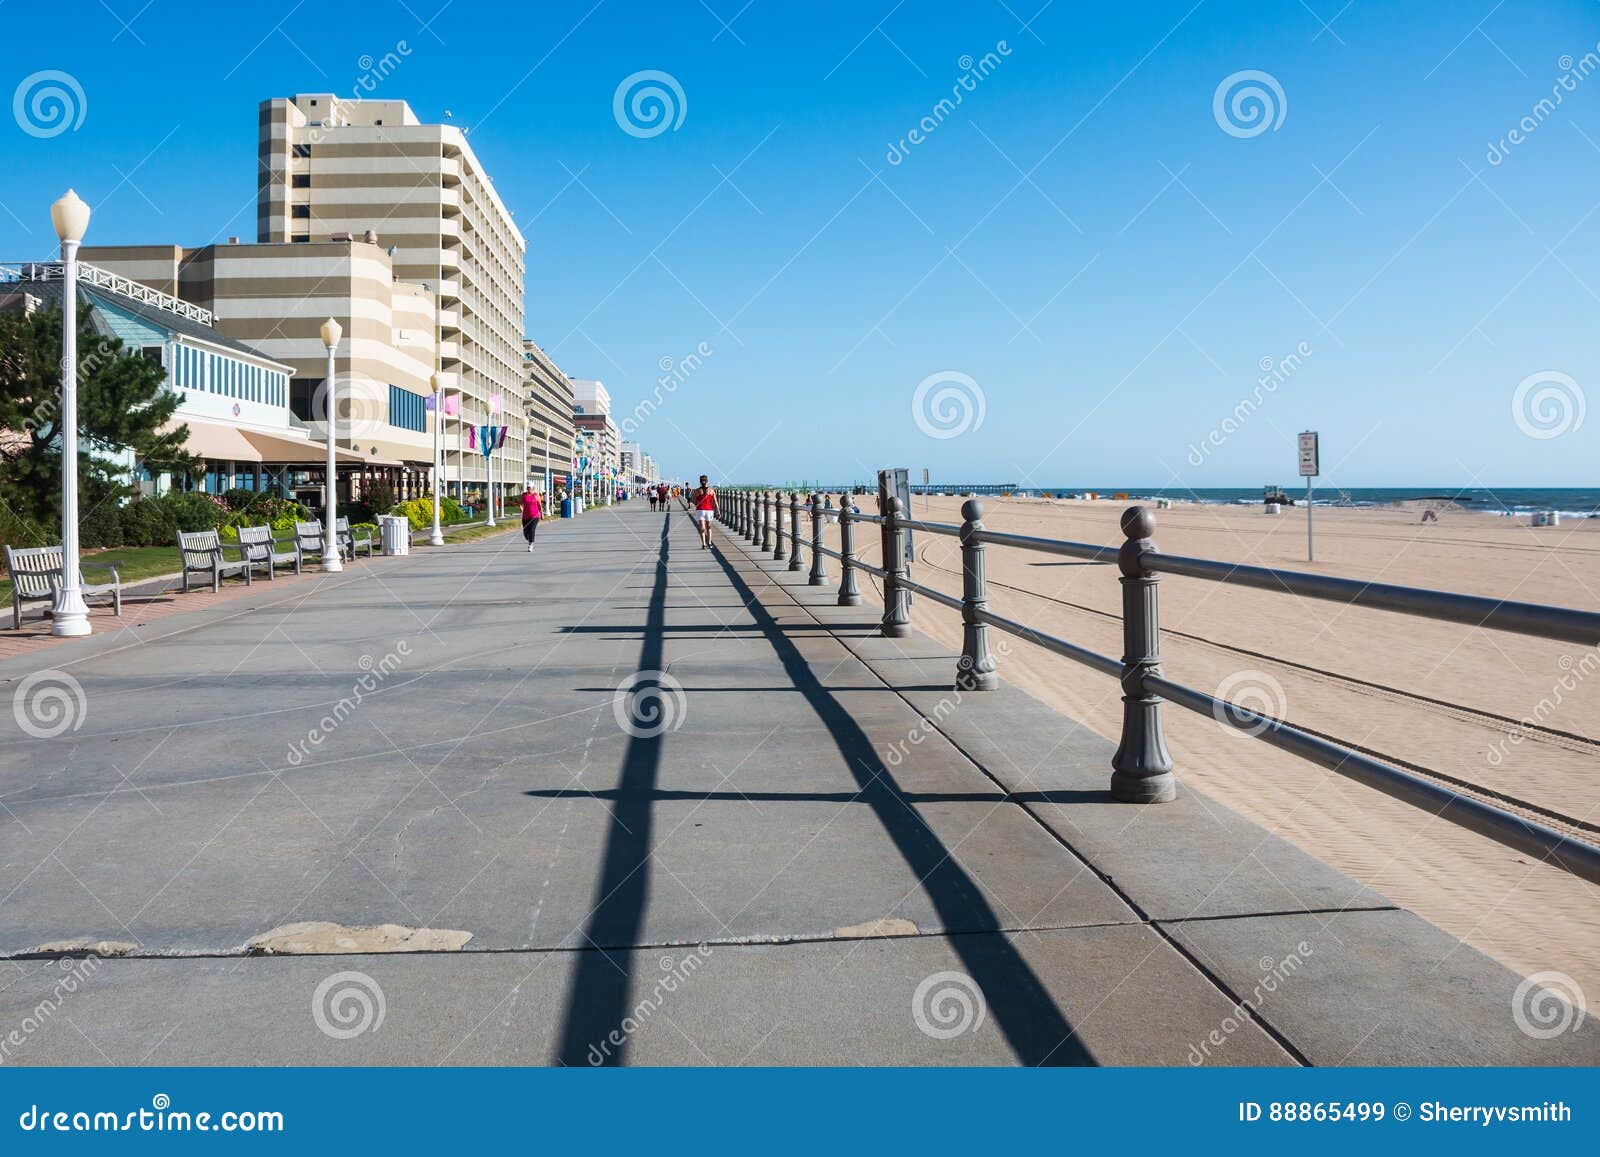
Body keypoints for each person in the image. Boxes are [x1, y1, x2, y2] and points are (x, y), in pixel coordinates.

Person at [690, 475, 717, 549]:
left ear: (700, 481)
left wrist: (697, 504)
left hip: (700, 510)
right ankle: (709, 543)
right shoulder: (711, 490)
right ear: (707, 481)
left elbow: (693, 500)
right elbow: (715, 501)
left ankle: (704, 544)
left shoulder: (696, 491)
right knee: (709, 527)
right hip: (709, 510)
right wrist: (718, 511)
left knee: (702, 528)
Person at [520, 486, 542, 552]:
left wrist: (542, 514)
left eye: (529, 488)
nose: (528, 489)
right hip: (525, 516)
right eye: (527, 488)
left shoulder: (536, 495)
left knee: (532, 529)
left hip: (535, 516)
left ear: (532, 488)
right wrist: (521, 507)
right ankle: (529, 539)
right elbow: (521, 503)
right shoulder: (524, 495)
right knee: (525, 532)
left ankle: (530, 545)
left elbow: (539, 505)